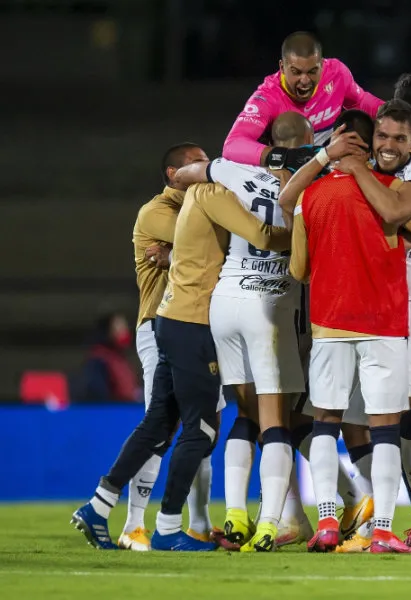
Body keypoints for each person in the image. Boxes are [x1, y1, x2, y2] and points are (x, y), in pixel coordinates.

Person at [71, 161, 292, 551]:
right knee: (201, 430)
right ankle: (170, 528)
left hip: (171, 320)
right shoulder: (213, 195)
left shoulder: (193, 201)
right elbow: (261, 235)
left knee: (158, 423)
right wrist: (298, 226)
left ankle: (98, 505)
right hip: (192, 324)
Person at [169, 113, 340, 552]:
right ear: (308, 141)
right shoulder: (312, 180)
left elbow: (188, 173)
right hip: (272, 307)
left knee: (242, 415)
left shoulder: (234, 170)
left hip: (226, 300)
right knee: (275, 420)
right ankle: (271, 521)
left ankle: (235, 516)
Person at [289, 109, 411, 553]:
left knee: (325, 423)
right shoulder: (394, 191)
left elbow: (298, 264)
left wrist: (325, 161)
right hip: (382, 322)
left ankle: (326, 522)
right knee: (383, 428)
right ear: (368, 141)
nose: (388, 144)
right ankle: (380, 529)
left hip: (328, 321)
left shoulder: (312, 193)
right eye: (382, 136)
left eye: (397, 137)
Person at [114, 142, 227, 552]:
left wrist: (173, 253)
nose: (205, 167)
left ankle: (198, 522)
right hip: (157, 328)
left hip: (198, 330)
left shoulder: (205, 203)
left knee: (203, 430)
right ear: (173, 175)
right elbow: (209, 242)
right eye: (196, 163)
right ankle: (133, 524)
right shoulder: (157, 212)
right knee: (160, 426)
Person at [223, 31, 383, 170]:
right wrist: (286, 157)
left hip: (330, 161)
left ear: (321, 64)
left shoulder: (336, 74)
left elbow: (361, 101)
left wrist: (397, 116)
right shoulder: (267, 98)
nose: (305, 80)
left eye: (312, 71)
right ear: (282, 67)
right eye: (296, 72)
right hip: (289, 173)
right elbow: (233, 144)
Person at [77, 312, 140, 404]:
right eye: (119, 328)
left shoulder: (121, 358)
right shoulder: (98, 359)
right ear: (107, 330)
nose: (124, 332)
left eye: (125, 327)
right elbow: (98, 393)